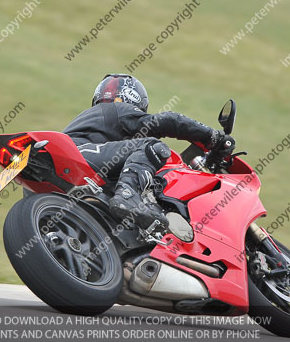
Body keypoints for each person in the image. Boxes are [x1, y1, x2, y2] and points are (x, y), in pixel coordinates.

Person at [63, 74, 234, 230]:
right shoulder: (116, 109)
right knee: (152, 146)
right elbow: (167, 121)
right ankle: (128, 196)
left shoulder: (98, 122)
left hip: (76, 172)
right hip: (79, 154)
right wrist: (213, 137)